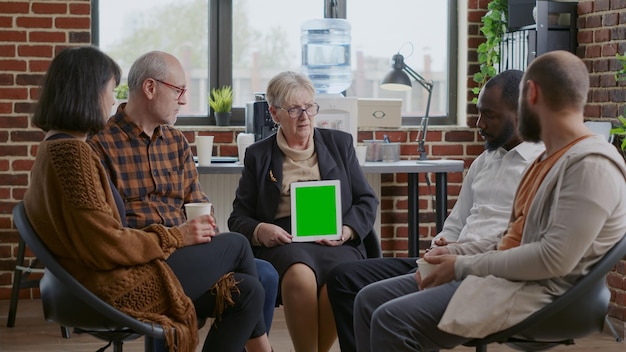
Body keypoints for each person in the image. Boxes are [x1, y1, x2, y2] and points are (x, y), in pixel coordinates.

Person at [353, 50, 626, 352]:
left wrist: (461, 266)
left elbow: (551, 260)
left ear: (530, 95)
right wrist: (455, 251)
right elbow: (512, 237)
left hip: (538, 292)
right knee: (369, 300)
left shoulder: (590, 166)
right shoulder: (552, 159)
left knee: (393, 319)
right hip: (508, 275)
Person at [23, 46, 272, 352]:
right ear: (87, 91)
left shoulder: (56, 149)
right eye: (110, 90)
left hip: (102, 279)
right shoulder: (71, 155)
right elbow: (106, 245)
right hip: (112, 287)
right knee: (237, 244)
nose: (113, 99)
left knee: (247, 292)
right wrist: (174, 236)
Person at [326, 69, 546, 352]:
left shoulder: (541, 168)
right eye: (479, 113)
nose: (479, 124)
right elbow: (456, 222)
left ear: (520, 115)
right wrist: (441, 242)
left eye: (489, 116)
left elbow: (522, 241)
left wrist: (456, 253)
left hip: (484, 269)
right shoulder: (484, 162)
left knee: (385, 311)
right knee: (353, 286)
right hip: (449, 258)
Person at [87, 50, 278, 336]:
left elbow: (198, 202)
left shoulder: (176, 141)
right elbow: (111, 232)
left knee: (259, 280)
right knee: (244, 256)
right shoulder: (100, 144)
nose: (185, 100)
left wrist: (202, 223)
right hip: (144, 263)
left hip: (188, 253)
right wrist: (175, 236)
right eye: (179, 91)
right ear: (150, 88)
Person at [228, 71, 379, 352]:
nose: (305, 116)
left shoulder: (340, 144)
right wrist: (262, 230)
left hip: (336, 239)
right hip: (285, 241)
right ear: (274, 113)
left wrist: (347, 230)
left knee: (341, 279)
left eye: (309, 107)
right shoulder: (258, 155)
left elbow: (366, 200)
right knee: (300, 276)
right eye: (294, 109)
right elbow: (238, 218)